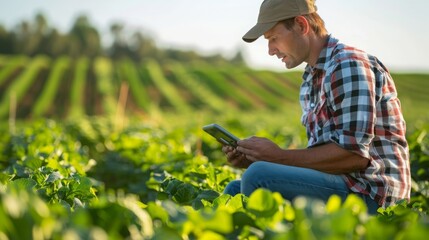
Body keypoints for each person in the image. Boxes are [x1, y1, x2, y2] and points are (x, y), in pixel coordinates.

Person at [222, 0, 411, 214]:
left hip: (372, 196)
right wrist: (259, 158)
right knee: (235, 189)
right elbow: (323, 157)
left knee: (259, 176)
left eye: (273, 38)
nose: (270, 50)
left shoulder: (347, 64)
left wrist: (277, 158)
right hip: (342, 184)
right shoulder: (313, 76)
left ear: (302, 26)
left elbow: (355, 157)